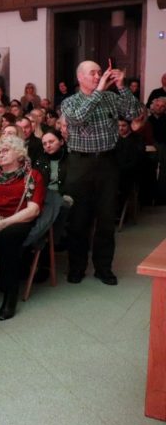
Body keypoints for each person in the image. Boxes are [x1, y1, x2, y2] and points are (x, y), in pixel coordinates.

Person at [62, 60, 144, 285]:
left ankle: (103, 268)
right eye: (93, 73)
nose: (98, 76)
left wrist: (122, 86)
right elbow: (78, 118)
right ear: (80, 77)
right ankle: (77, 267)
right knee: (78, 219)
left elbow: (135, 113)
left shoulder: (111, 98)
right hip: (80, 163)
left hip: (107, 163)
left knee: (106, 219)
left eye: (100, 72)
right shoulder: (70, 102)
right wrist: (98, 91)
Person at [0, 135, 45, 320]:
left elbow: (33, 210)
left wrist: (3, 223)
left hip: (18, 219)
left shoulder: (32, 176)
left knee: (7, 237)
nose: (0, 155)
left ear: (19, 154)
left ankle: (10, 295)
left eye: (5, 151)